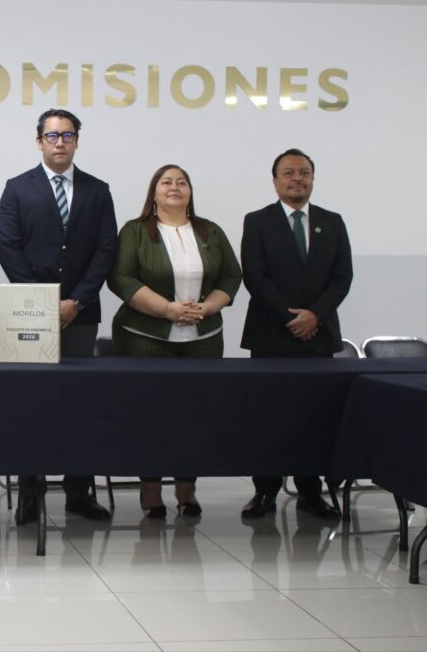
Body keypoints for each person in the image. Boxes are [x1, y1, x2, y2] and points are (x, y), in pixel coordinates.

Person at [0, 108, 118, 524]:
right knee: (31, 405)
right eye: (52, 135)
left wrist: (76, 301)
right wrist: (42, 301)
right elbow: (8, 245)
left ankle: (78, 493)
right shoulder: (17, 188)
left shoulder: (97, 190)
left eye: (67, 135)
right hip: (29, 315)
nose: (60, 142)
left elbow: (105, 249)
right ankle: (30, 494)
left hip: (80, 315)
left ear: (77, 141)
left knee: (80, 404)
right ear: (39, 141)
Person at [107, 164, 242, 518]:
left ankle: (187, 490)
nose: (174, 187)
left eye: (182, 182)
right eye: (166, 182)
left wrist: (207, 308)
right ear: (154, 192)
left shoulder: (211, 231)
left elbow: (231, 275)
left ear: (190, 192)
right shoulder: (135, 231)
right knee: (149, 415)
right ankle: (151, 490)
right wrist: (167, 309)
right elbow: (121, 278)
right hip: (144, 338)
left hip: (203, 337)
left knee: (195, 416)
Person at [239, 148, 353, 519]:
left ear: (312, 179)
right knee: (268, 418)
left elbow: (342, 277)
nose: (297, 179)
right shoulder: (257, 221)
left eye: (303, 172)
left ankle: (310, 492)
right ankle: (265, 491)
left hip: (319, 336)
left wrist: (315, 315)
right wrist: (291, 318)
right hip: (271, 335)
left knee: (314, 417)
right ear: (275, 181)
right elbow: (255, 275)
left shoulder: (332, 222)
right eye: (288, 173)